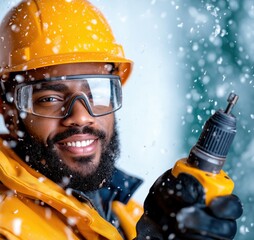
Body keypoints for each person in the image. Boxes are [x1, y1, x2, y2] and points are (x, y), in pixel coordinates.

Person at [0, 0, 243, 239]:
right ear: (9, 114)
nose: (82, 115)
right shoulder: (7, 226)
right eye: (50, 98)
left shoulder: (126, 214)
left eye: (97, 92)